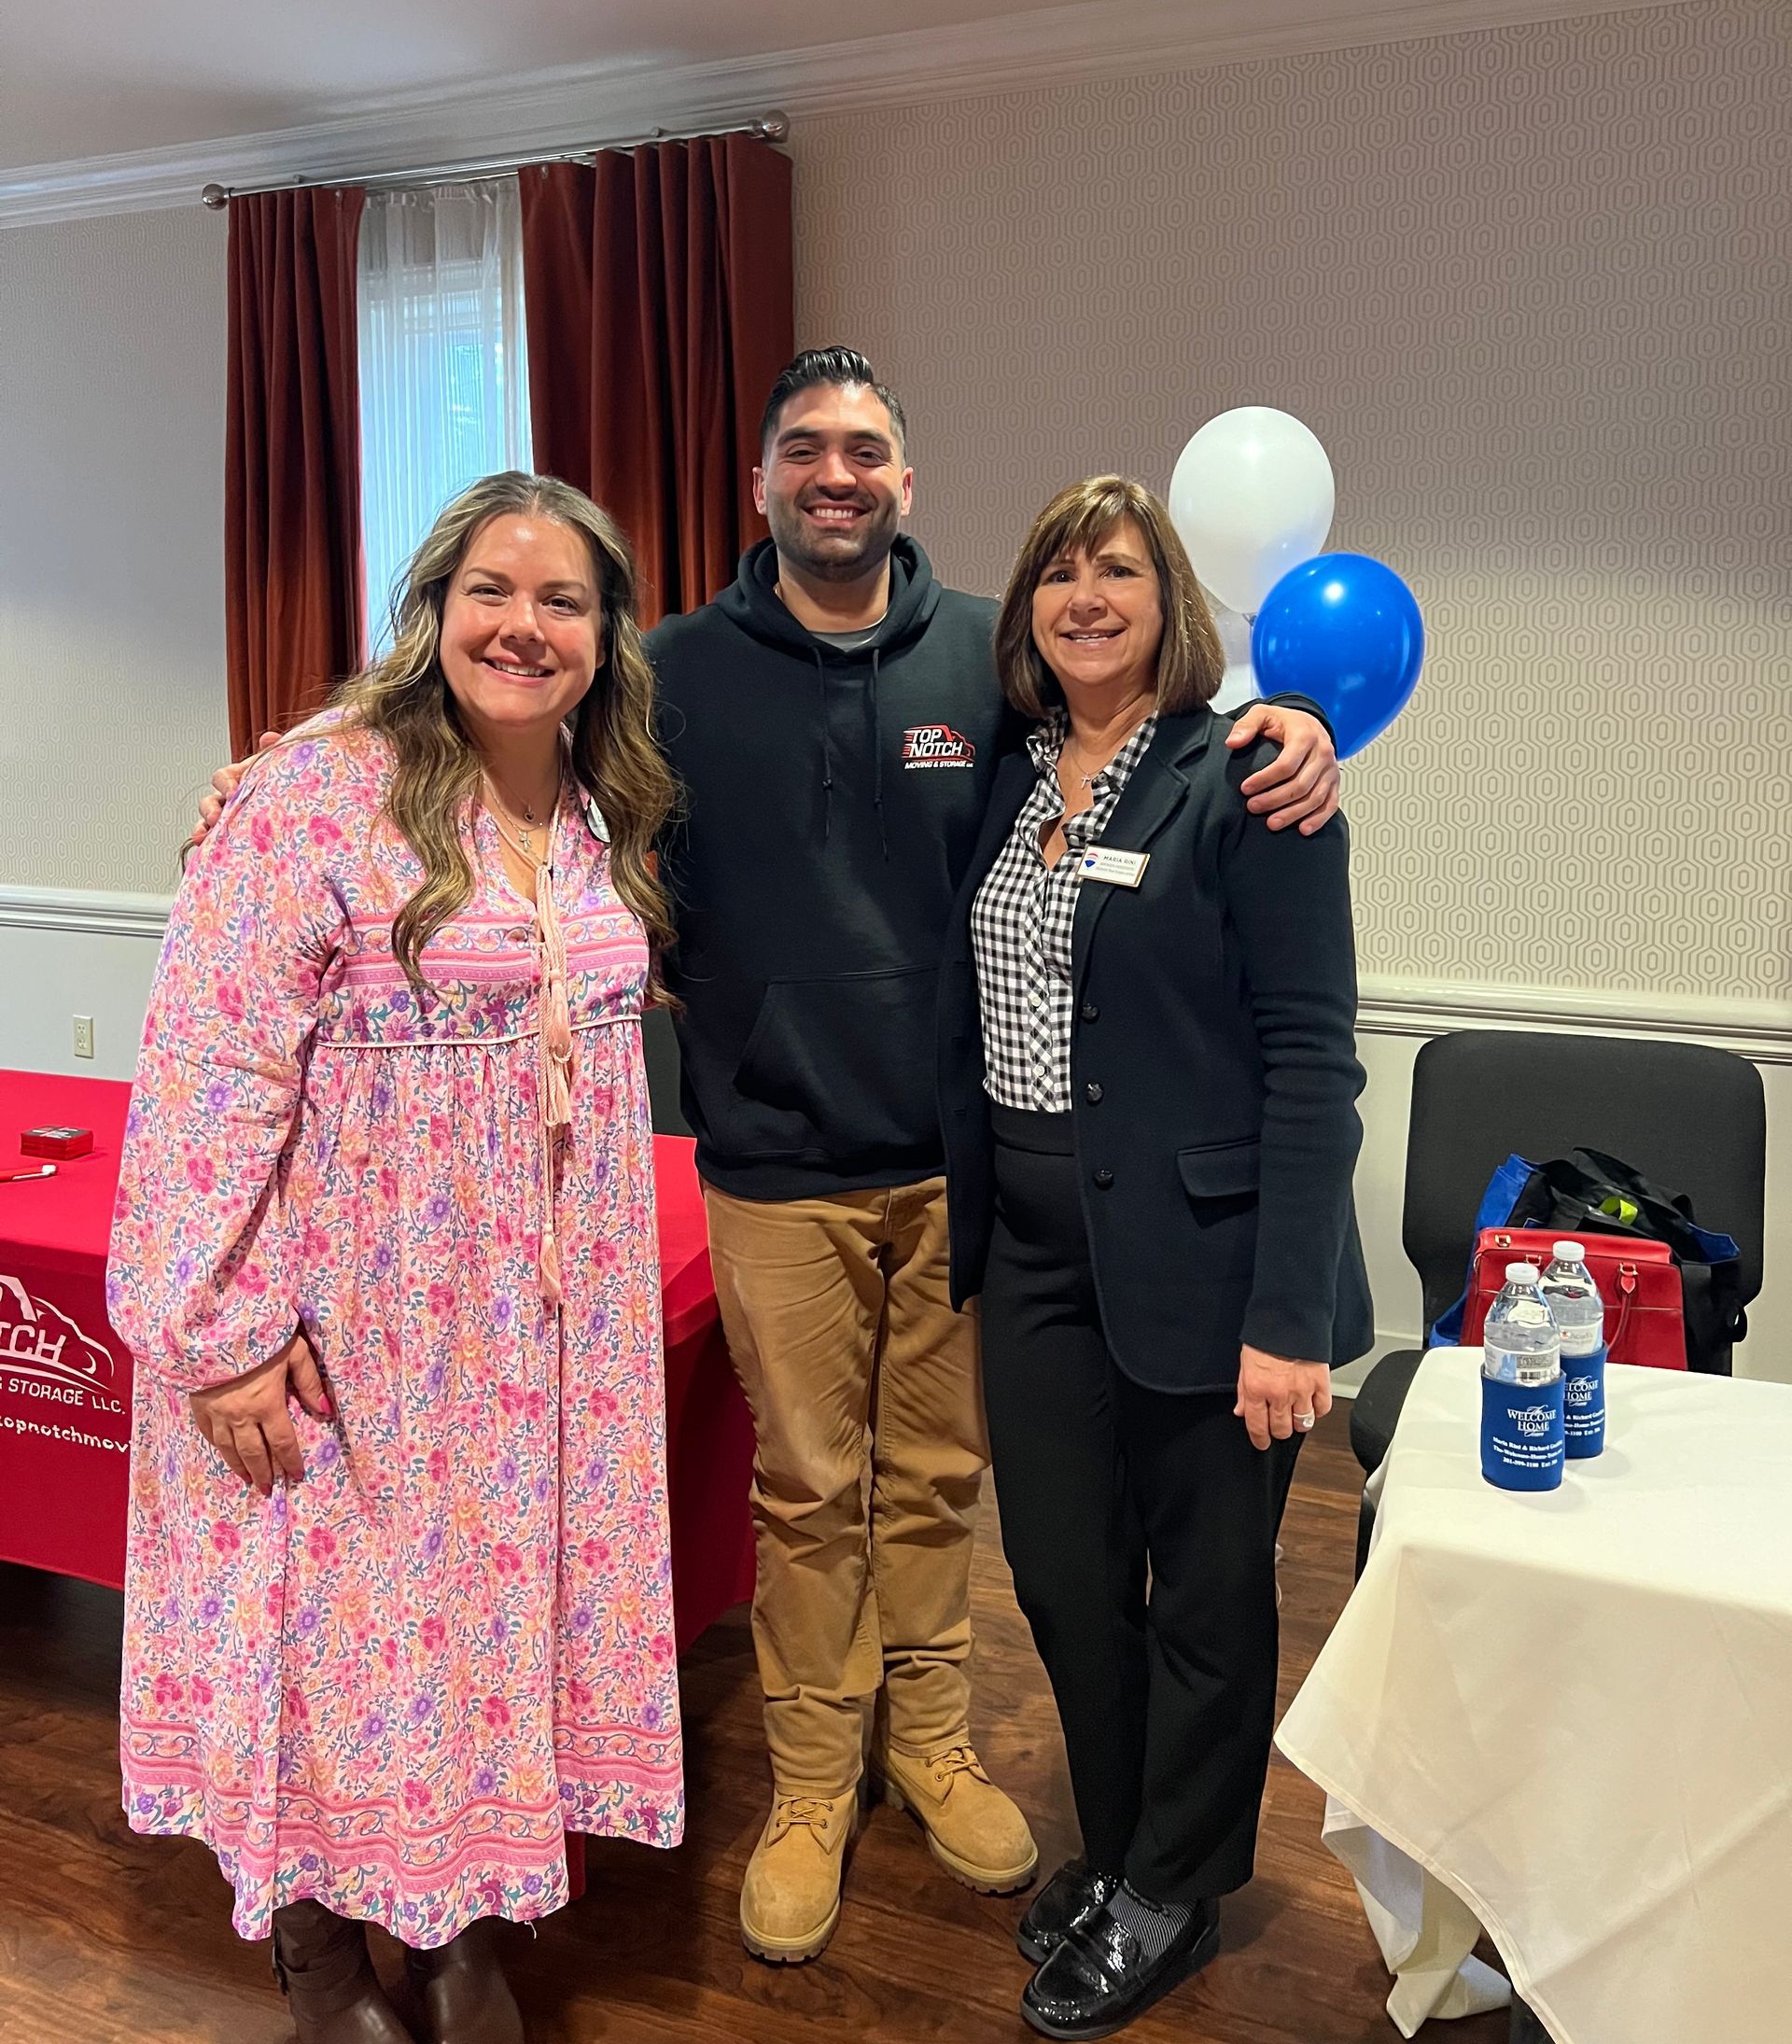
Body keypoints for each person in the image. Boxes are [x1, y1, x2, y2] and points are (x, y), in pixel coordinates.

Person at [198, 347, 1342, 1970]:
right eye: (805, 448)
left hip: (966, 1168)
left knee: (942, 1485)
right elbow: (481, 731)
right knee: (808, 1494)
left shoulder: (982, 665)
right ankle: (814, 1782)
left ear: (906, 478)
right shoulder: (660, 668)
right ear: (760, 483)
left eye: (867, 448)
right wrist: (276, 769)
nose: (837, 474)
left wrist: (1282, 725)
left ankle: (931, 1748)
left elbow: (1132, 735)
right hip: (768, 1164)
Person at [113, 474, 684, 2044]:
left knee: (467, 1641)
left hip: (529, 1327)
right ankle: (312, 1944)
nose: (524, 624)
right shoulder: (315, 796)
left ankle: (445, 1918)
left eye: (562, 599)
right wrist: (220, 1329)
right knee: (329, 1632)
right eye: (491, 591)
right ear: (434, 613)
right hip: (354, 1316)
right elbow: (208, 1074)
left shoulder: (593, 802)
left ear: (602, 638)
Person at [936, 475, 1370, 2039]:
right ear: (1028, 609)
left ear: (1169, 599)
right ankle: (1119, 1847)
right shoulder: (1011, 768)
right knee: (1058, 1578)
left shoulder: (1246, 772)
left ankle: (1175, 1888)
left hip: (1208, 1256)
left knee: (1203, 1596)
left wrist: (1286, 1313)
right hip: (1038, 1255)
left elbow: (1315, 1057)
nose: (1084, 594)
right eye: (1056, 568)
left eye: (1117, 567)